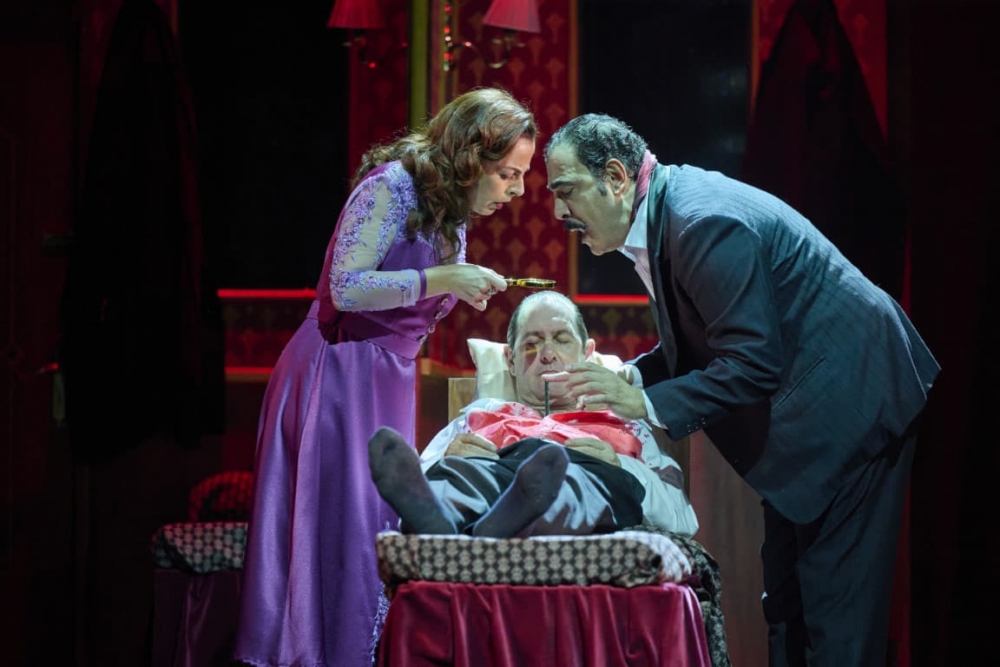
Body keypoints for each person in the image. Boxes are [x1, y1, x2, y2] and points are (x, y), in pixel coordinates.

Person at [541, 113, 940, 667]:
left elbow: (752, 363)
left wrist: (644, 403)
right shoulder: (665, 215)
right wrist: (627, 377)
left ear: (614, 176)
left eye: (565, 191)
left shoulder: (701, 221)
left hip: (852, 404)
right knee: (787, 606)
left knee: (836, 622)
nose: (558, 212)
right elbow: (702, 341)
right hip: (810, 417)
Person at [234, 88, 538, 667]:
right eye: (508, 174)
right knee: (345, 529)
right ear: (470, 156)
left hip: (387, 377)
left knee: (376, 523)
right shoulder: (391, 187)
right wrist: (442, 279)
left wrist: (455, 285)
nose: (518, 190)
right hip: (338, 371)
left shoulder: (448, 211)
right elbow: (345, 287)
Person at [368, 290, 699, 539]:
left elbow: (683, 518)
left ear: (587, 353)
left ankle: (503, 517)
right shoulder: (475, 419)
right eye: (532, 343)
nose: (547, 354)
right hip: (494, 475)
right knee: (462, 473)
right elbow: (419, 479)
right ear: (510, 361)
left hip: (581, 480)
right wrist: (445, 462)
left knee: (571, 478)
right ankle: (443, 520)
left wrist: (620, 465)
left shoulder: (625, 422)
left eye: (561, 340)